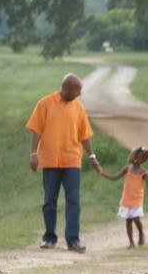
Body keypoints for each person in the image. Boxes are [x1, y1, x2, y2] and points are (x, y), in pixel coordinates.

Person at [26, 73, 101, 253]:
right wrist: (33, 154)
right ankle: (49, 237)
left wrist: (92, 157)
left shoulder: (79, 108)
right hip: (50, 160)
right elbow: (36, 130)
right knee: (49, 200)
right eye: (76, 91)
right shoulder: (45, 103)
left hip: (72, 160)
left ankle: (73, 241)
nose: (79, 95)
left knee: (73, 201)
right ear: (66, 88)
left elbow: (85, 135)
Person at [99, 147, 148, 249]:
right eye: (135, 155)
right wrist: (102, 173)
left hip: (137, 199)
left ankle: (141, 233)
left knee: (136, 218)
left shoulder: (144, 172)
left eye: (143, 158)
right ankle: (131, 242)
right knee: (128, 220)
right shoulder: (127, 169)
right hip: (127, 199)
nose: (132, 156)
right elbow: (114, 177)